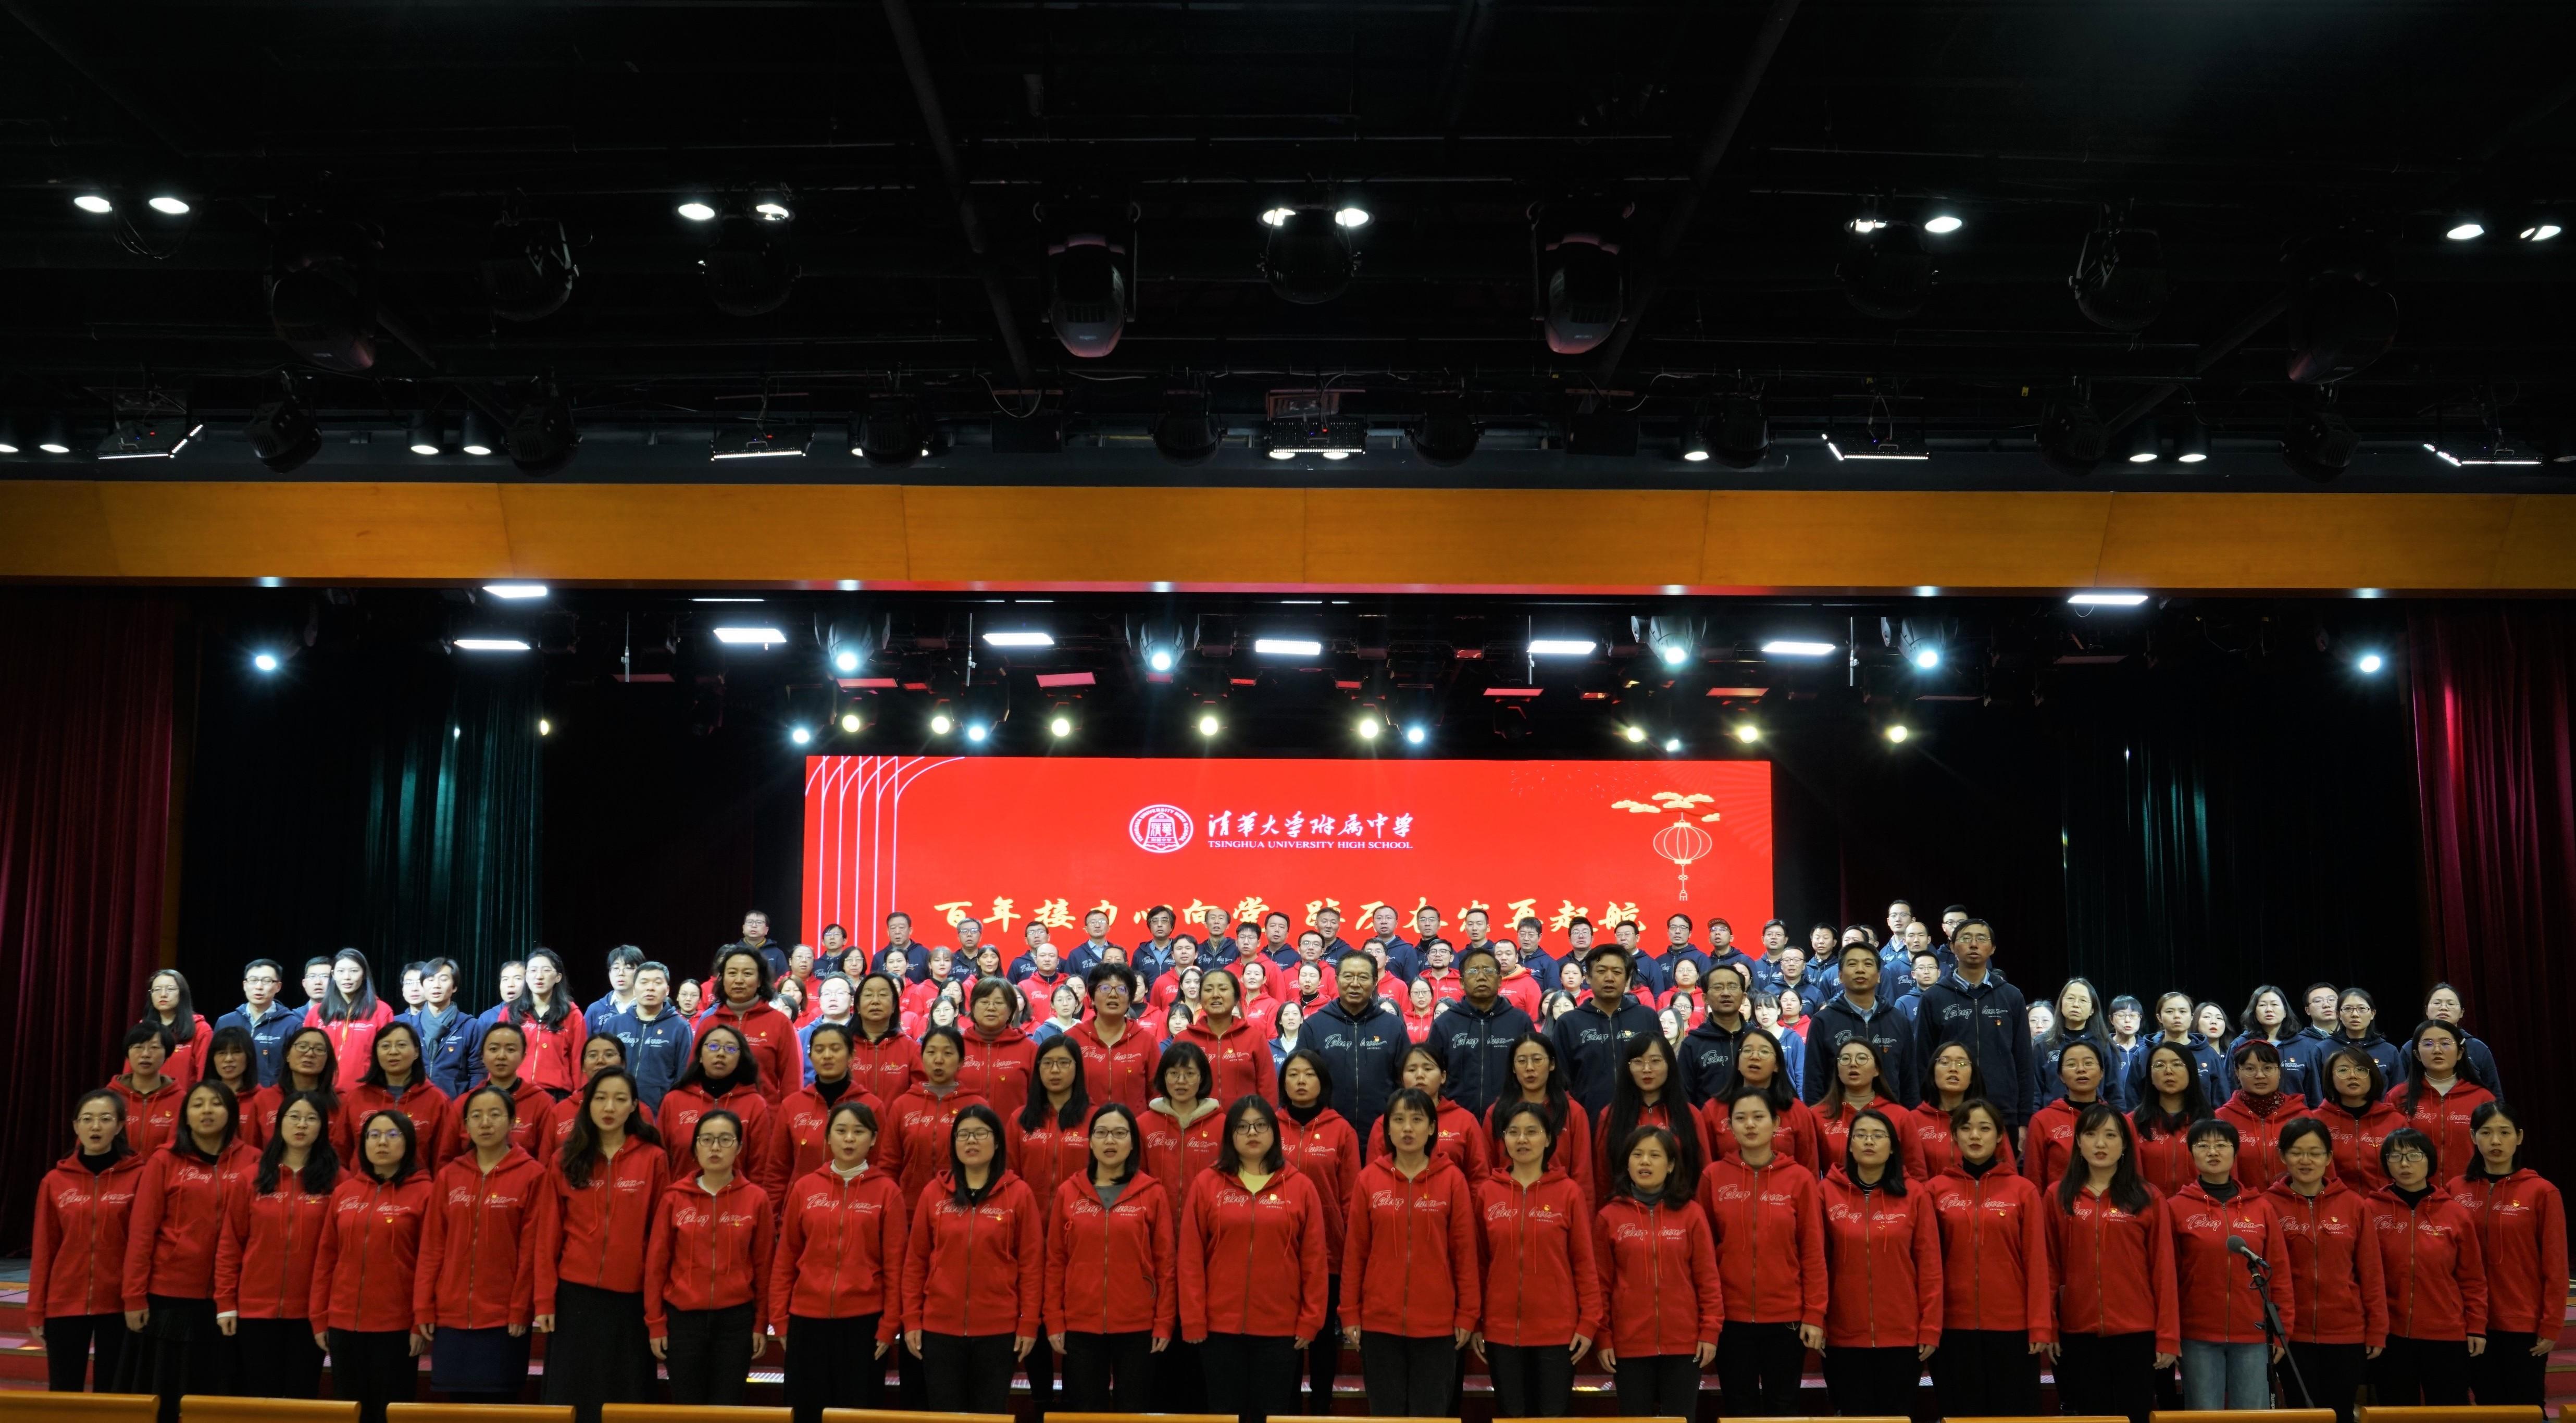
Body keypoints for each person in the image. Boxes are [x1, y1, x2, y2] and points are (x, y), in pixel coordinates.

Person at [1179, 1093, 1331, 1423]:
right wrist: (1193, 1317)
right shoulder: (1207, 1184)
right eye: (1243, 1126)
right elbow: (1190, 1258)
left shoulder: (1301, 1187)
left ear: (1274, 1133)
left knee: (1271, 1414)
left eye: (1261, 1125)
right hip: (1218, 1327)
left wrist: (1311, 1319)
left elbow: (1315, 1261)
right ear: (1230, 1135)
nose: (1252, 1133)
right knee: (1224, 1414)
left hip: (1280, 1328)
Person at [534, 1067, 669, 1423]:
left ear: (635, 1106)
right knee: (573, 1398)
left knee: (625, 1399)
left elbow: (659, 1240)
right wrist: (545, 1298)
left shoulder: (653, 1159)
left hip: (630, 1300)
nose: (609, 1107)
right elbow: (548, 1235)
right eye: (601, 1098)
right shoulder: (564, 1159)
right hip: (575, 1298)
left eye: (620, 1099)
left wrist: (655, 1310)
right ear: (587, 1103)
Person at [118, 1081, 253, 1420]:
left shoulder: (254, 1160)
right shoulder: (164, 1160)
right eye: (197, 1104)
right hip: (171, 1295)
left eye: (216, 1103)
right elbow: (142, 1233)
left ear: (231, 1112)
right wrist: (134, 1296)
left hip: (232, 1296)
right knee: (168, 1395)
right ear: (185, 1115)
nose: (207, 1110)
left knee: (219, 1396)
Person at [1340, 1086, 1479, 1415]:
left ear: (1432, 1128)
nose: (1407, 1128)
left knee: (1430, 1416)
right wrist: (1349, 1312)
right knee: (1385, 1416)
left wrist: (1467, 1313)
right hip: (1379, 1324)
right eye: (1399, 1120)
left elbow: (1464, 1254)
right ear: (1387, 1129)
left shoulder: (1453, 1180)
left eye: (1417, 1120)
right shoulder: (1368, 1180)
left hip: (1437, 1326)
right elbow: (1355, 1253)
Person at [771, 1099, 905, 1423]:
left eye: (859, 1132)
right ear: (828, 1136)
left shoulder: (888, 1192)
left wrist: (889, 1325)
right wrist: (780, 1318)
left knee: (856, 1414)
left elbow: (895, 1267)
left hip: (863, 1323)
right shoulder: (805, 1188)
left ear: (873, 1139)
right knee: (806, 1412)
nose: (849, 1139)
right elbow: (786, 1258)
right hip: (807, 1320)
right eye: (841, 1131)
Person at [1698, 1086, 1826, 1415]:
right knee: (1738, 1407)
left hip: (1786, 1318)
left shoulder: (1799, 1179)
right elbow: (1703, 1255)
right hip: (1730, 1318)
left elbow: (1812, 1251)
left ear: (1776, 1124)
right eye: (1741, 1118)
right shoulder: (1713, 1177)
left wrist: (1814, 1313)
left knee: (1783, 1407)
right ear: (1730, 1126)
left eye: (1759, 1117)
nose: (1750, 1125)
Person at [2048, 1104, 2180, 1423]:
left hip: (2137, 1332)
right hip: (2078, 1331)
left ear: (2125, 1144)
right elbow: (2048, 1267)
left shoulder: (2148, 1197)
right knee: (2093, 1417)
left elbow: (2164, 1271)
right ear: (2078, 1142)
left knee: (2136, 1416)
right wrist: (2048, 1325)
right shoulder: (2058, 1196)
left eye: (2110, 1135)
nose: (2100, 1144)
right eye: (2091, 1134)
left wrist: (2167, 1335)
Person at [1472, 1100, 1602, 1418]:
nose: (1522, 1139)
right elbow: (1478, 1264)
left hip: (1557, 1333)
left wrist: (1589, 1321)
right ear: (1503, 1139)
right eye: (1513, 1132)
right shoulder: (1488, 1193)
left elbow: (1584, 1263)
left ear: (1548, 1139)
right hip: (1501, 1332)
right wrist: (1475, 1321)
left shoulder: (1569, 1193)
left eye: (1532, 1132)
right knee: (1511, 1415)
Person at [416, 1083, 545, 1404]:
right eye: (476, 1116)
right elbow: (432, 1247)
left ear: (512, 1122)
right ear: (466, 1125)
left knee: (498, 1407)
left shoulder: (533, 1175)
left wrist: (520, 1307)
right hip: (451, 1316)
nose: (485, 1123)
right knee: (457, 1408)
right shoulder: (449, 1176)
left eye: (495, 1114)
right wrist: (424, 1306)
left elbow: (532, 1250)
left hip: (503, 1319)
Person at [1045, 1103, 1176, 1412]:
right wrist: (1054, 1318)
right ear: (1090, 1141)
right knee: (1086, 1412)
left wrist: (1164, 1322)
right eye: (1102, 1133)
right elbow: (1055, 1261)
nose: (1110, 1141)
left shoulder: (1152, 1193)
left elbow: (1166, 1264)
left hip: (1138, 1326)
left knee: (1134, 1410)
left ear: (1132, 1143)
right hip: (1081, 1324)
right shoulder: (1069, 1192)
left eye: (1119, 1133)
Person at [1926, 1097, 2051, 1417]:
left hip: (2012, 1328)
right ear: (1955, 1136)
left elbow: (2037, 1263)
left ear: (1999, 1137)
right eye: (1966, 1128)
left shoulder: (2023, 1191)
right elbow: (1928, 1266)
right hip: (1953, 1328)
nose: (1975, 1136)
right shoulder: (1934, 1191)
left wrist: (2039, 1324)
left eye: (1984, 1128)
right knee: (1960, 1414)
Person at [309, 1110, 433, 1423]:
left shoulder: (425, 1193)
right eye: (374, 1135)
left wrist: (419, 1322)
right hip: (343, 1323)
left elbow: (428, 1262)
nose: (382, 1143)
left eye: (392, 1135)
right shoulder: (345, 1192)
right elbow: (326, 1258)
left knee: (389, 1412)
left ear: (409, 1143)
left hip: (396, 1326)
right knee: (349, 1411)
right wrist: (320, 1317)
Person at [211, 1092, 337, 1401]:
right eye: (294, 1117)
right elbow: (231, 1244)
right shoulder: (251, 1179)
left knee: (301, 1397)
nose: (302, 1125)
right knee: (259, 1397)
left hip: (309, 1313)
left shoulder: (338, 1182)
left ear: (322, 1127)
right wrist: (226, 1302)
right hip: (255, 1310)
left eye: (311, 1119)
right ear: (279, 1123)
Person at [644, 1110, 774, 1405]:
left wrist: (760, 1323)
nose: (715, 1147)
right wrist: (656, 1322)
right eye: (707, 1140)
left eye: (725, 1140)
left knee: (727, 1405)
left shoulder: (756, 1199)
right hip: (683, 1320)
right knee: (686, 1405)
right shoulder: (674, 1198)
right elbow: (656, 1266)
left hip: (736, 1321)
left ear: (739, 1148)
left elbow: (765, 1266)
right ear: (695, 1148)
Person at [1818, 1107, 1942, 1416]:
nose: (1869, 1141)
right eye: (1861, 1135)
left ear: (1893, 1147)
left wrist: (1930, 1327)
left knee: (1897, 1416)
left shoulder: (1915, 1195)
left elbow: (1929, 1266)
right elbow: (1816, 1263)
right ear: (1850, 1146)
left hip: (1902, 1335)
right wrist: (1818, 1318)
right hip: (1843, 1336)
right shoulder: (1826, 1193)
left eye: (1878, 1135)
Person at [1592, 1124, 1721, 1417]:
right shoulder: (1609, 1217)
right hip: (1628, 1345)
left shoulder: (1691, 1213)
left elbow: (1708, 1279)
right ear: (1627, 1163)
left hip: (1685, 1344)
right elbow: (1600, 1285)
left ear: (1671, 1165)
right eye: (1637, 1155)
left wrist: (1710, 1331)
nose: (1645, 1162)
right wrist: (1603, 1337)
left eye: (1655, 1155)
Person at [2168, 1118, 2293, 1410]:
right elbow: (2168, 1277)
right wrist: (2171, 1334)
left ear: (2235, 1152)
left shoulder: (2261, 1207)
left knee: (2252, 1415)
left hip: (2253, 1332)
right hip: (2196, 1335)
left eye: (2222, 1145)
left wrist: (2282, 1328)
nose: (2213, 1152)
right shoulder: (2175, 1207)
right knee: (2204, 1415)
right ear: (2191, 1153)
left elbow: (2279, 1272)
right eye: (2203, 1146)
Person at [2267, 1116, 2385, 1423]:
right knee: (2301, 1414)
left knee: (2340, 1413)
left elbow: (2371, 1272)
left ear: (2329, 1157)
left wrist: (2377, 1328)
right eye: (2296, 1152)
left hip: (2346, 1333)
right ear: (2283, 1156)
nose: (2306, 1161)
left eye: (2315, 1153)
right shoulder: (2267, 1205)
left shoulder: (2354, 1205)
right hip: (2292, 1336)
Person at [31, 1090, 147, 1392]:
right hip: (64, 1301)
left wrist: (137, 1298)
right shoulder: (54, 1181)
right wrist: (36, 1308)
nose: (96, 1126)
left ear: (120, 1126)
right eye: (87, 1119)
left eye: (105, 1119)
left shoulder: (140, 1177)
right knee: (64, 1391)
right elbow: (44, 1249)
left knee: (115, 1392)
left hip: (119, 1303)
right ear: (76, 1126)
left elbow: (143, 1244)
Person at [2454, 1101, 2563, 1408]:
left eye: (2504, 1132)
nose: (2496, 1141)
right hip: (2470, 1321)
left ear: (2520, 1137)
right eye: (2486, 1133)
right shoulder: (2455, 1190)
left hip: (2522, 1322)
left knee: (2525, 1406)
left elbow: (2555, 1265)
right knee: (2487, 1404)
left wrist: (2551, 1324)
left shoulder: (2542, 1192)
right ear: (2473, 1137)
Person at [2369, 1127, 2488, 1406]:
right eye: (2395, 1156)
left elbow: (2472, 1277)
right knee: (2396, 1410)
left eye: (2414, 1156)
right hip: (2390, 1335)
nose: (2405, 1164)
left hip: (2446, 1333)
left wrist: (2476, 1326)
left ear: (2429, 1160)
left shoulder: (2455, 1213)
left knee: (2448, 1409)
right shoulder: (2370, 1210)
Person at [1276, 1048, 1360, 1412]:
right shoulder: (1269, 1125)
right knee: (1286, 1341)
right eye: (1293, 1074)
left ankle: (1321, 1411)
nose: (1300, 1081)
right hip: (1278, 1252)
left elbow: (1350, 1197)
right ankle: (1288, 1414)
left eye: (1309, 1074)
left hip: (1328, 1252)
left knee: (1324, 1339)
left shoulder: (1341, 1129)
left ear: (1322, 1082)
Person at [1911, 918, 2035, 1128]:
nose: (1974, 944)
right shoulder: (1933, 998)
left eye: (1982, 939)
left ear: (1993, 948)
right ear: (1952, 947)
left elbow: (2023, 1060)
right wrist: (1927, 1110)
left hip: (2003, 1111)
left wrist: (2024, 1118)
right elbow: (1923, 1059)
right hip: (1948, 1110)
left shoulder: (2011, 996)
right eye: (1966, 938)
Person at [766, 1021, 888, 1203]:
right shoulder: (792, 1105)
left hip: (855, 1207)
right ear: (810, 1056)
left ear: (851, 1056)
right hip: (802, 1206)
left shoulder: (872, 1106)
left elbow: (880, 1166)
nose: (827, 1056)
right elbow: (777, 1170)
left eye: (835, 1049)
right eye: (819, 1050)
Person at [1423, 944, 1536, 1118]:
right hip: (1457, 1120)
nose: (1482, 977)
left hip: (1512, 1118)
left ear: (1500, 980)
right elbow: (1431, 1074)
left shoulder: (1520, 1022)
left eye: (1489, 971)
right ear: (1462, 983)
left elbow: (1534, 1072)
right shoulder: (1445, 1023)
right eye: (1473, 971)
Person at [1303, 952, 1407, 1142]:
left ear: (1375, 982)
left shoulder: (1393, 1027)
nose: (1355, 984)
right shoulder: (1314, 1026)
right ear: (1337, 980)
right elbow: (1302, 1081)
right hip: (1325, 1135)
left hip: (1383, 1134)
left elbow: (1404, 1082)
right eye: (1348, 976)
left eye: (1363, 977)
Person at [1804, 939, 1918, 1109]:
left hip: (1889, 1118)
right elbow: (1814, 1082)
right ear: (1840, 976)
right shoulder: (1823, 1021)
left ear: (1879, 976)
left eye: (1868, 964)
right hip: (1837, 1117)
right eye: (1852, 964)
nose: (1860, 970)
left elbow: (1909, 1081)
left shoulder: (1898, 1020)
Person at [886, 1025, 991, 1205]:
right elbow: (889, 1163)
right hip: (910, 1205)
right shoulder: (902, 1105)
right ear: (922, 1058)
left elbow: (988, 1162)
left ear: (961, 1061)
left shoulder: (977, 1106)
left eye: (948, 1053)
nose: (939, 1060)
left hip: (962, 1206)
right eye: (931, 1052)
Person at [656, 1021, 773, 1184]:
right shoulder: (674, 1100)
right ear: (700, 1056)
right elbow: (661, 1163)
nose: (721, 1053)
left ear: (740, 1059)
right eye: (713, 1046)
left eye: (730, 1049)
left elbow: (760, 1168)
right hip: (681, 1196)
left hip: (736, 1197)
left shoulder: (755, 1104)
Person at [1550, 946, 1661, 1116]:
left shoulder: (1647, 1017)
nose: (1609, 978)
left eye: (1617, 972)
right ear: (1588, 977)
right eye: (1601, 971)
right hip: (1587, 1120)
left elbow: (1661, 1070)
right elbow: (1560, 1081)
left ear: (1627, 978)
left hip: (1642, 1120)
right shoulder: (1569, 1023)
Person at [1706, 1025, 1822, 1174]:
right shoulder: (1713, 1110)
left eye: (1764, 1052)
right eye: (1747, 1051)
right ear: (1738, 1063)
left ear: (1777, 1065)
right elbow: (1705, 1170)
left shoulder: (1798, 1112)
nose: (1755, 1057)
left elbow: (1809, 1171)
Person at [2389, 1018, 2494, 1183]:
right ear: (2417, 1054)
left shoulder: (2482, 1098)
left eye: (2445, 1043)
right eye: (2428, 1044)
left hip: (2470, 1189)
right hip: (2413, 1190)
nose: (2437, 1050)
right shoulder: (2398, 1096)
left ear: (2460, 1053)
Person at [698, 947, 804, 1105]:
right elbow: (694, 1078)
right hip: (714, 1115)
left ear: (760, 980)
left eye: (747, 974)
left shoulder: (780, 1023)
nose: (739, 980)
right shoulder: (709, 1023)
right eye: (732, 973)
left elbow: (792, 1084)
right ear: (722, 978)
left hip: (766, 1115)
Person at [340, 1020, 451, 1172]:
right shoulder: (356, 1098)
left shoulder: (437, 1100)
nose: (393, 1052)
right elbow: (340, 1153)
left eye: (401, 1045)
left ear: (416, 1052)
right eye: (385, 1046)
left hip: (417, 1185)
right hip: (362, 1185)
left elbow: (443, 1159)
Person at [1012, 1035, 1094, 1238]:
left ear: (1077, 1068)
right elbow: (1010, 1174)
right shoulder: (1020, 1119)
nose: (1055, 1070)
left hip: (1082, 1223)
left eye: (1064, 1063)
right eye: (1047, 1063)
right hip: (1027, 1224)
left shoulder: (1096, 1118)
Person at [1371, 1040, 1491, 1177]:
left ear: (1443, 1077)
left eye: (1428, 1069)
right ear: (1402, 1079)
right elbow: (1373, 1178)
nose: (1420, 1075)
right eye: (1412, 1070)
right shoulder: (1385, 1123)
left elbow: (1479, 1178)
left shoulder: (1465, 1121)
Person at [1815, 1037, 1928, 1178]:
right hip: (1835, 1192)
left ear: (1877, 1070)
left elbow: (1917, 1174)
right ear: (1837, 1070)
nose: (1853, 1064)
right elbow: (1808, 1174)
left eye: (1862, 1058)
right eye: (1845, 1059)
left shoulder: (1900, 1115)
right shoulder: (1817, 1115)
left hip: (1889, 1192)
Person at [1176, 967, 1276, 1108]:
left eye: (1223, 989)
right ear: (1200, 998)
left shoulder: (1255, 1038)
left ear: (1236, 998)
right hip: (1197, 1120)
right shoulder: (1184, 1040)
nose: (1215, 995)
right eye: (1208, 990)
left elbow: (1268, 1090)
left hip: (1245, 1121)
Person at [1912, 1039, 2014, 1175]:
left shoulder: (1988, 1118)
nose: (1953, 1069)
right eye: (1945, 1062)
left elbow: (2009, 1173)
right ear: (1932, 1073)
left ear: (1972, 1076)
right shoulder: (1913, 1120)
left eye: (1962, 1064)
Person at [451, 1021, 552, 1158]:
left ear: (523, 1056)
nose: (501, 1056)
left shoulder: (542, 1103)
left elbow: (546, 1159)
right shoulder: (463, 1104)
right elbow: (447, 1158)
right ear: (482, 1056)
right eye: (494, 1049)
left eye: (511, 1050)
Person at [2130, 1040, 2214, 1198]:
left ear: (2191, 1071)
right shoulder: (2132, 1123)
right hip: (2147, 1208)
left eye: (2177, 1064)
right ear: (2150, 1075)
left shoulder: (2213, 1121)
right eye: (2159, 1065)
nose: (2168, 1071)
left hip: (2201, 1209)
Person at [603, 960, 692, 1109]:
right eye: (644, 982)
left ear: (667, 990)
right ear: (634, 989)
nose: (650, 988)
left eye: (657, 983)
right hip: (615, 1107)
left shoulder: (680, 1028)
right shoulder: (614, 1024)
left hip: (659, 1110)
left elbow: (684, 1075)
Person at [2024, 1038, 2113, 1186]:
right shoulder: (2043, 1121)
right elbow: (2034, 1179)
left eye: (2089, 1063)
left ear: (2102, 1073)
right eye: (2072, 1065)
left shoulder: (2117, 1121)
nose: (2081, 1069)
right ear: (2061, 1076)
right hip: (2059, 1201)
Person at [306, 949, 396, 1093]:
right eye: (341, 971)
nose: (347, 977)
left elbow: (389, 1056)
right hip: (321, 1093)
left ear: (364, 974)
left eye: (354, 971)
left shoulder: (381, 1011)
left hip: (366, 1093)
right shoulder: (317, 1012)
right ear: (333, 975)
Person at [2215, 1040, 2300, 1191]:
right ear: (2237, 1072)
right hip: (2242, 1203)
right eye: (2250, 1069)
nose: (2260, 1075)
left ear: (2279, 1071)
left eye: (2268, 1068)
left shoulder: (2301, 1117)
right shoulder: (2222, 1119)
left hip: (2292, 1202)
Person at [2317, 1044, 2404, 1191]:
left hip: (2386, 1201)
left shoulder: (2395, 1121)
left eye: (2361, 1070)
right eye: (2343, 1070)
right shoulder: (2316, 1121)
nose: (2353, 1076)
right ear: (2330, 1077)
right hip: (2332, 1201)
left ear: (2372, 1076)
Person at [1143, 1041, 1227, 1191]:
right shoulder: (1144, 1124)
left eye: (1190, 1074)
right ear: (1164, 1076)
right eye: (1174, 1074)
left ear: (1202, 1078)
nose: (1181, 1081)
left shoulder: (1222, 1125)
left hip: (1207, 1205)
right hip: (1155, 1206)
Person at [244, 1025, 341, 1154]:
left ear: (327, 1059)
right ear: (288, 1055)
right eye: (302, 1046)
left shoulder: (341, 1102)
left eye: (319, 1049)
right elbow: (251, 1151)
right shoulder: (264, 1099)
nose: (310, 1053)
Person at [2032, 976, 2115, 1116]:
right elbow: (2035, 1092)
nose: (2076, 1005)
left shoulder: (2104, 1044)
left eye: (2083, 1000)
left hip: (2096, 1119)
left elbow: (2115, 1093)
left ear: (2092, 1009)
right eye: (2070, 998)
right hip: (2054, 1120)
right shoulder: (2043, 1043)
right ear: (2061, 1003)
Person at [214, 959, 297, 1088]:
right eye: (253, 980)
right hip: (230, 1094)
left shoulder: (292, 1025)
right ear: (245, 985)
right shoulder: (225, 1022)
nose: (259, 987)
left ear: (278, 986)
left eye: (267, 981)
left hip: (273, 1096)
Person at [106, 1024, 183, 1157]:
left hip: (162, 1170)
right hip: (117, 1170)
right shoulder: (108, 1098)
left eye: (154, 1047)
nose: (146, 1054)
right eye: (138, 1047)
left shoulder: (181, 1100)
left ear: (167, 1054)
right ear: (128, 1053)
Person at [2422, 983, 2503, 1096]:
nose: (2443, 1008)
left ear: (2462, 1012)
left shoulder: (2478, 1048)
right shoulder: (2412, 1047)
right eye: (2437, 1003)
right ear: (2426, 1010)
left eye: (2450, 1004)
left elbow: (2495, 1094)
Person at [138, 969, 211, 1088]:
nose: (163, 994)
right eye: (157, 989)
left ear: (182, 994)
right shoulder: (142, 1028)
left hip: (185, 1098)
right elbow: (130, 1071)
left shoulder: (201, 1029)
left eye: (170, 989)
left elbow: (204, 1076)